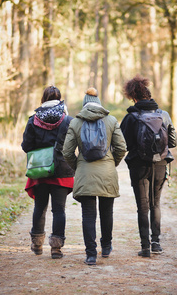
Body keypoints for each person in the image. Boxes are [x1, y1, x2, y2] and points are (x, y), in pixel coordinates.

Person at [62, 87, 127, 265]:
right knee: (107, 212)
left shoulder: (75, 123)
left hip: (85, 173)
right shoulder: (111, 120)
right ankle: (106, 248)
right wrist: (112, 164)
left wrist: (78, 167)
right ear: (99, 104)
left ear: (84, 104)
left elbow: (67, 152)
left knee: (88, 216)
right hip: (107, 173)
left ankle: (91, 255)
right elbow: (121, 148)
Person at [120, 75, 177, 257]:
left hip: (138, 166)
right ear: (149, 95)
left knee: (142, 206)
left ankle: (145, 247)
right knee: (156, 203)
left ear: (133, 97)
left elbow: (124, 144)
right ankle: (156, 243)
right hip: (160, 163)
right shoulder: (164, 115)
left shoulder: (131, 117)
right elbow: (173, 142)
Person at [21, 86, 75, 259]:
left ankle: (37, 244)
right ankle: (56, 249)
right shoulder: (67, 120)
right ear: (60, 100)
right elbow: (73, 145)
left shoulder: (33, 120)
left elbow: (26, 146)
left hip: (40, 170)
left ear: (43, 99)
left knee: (40, 207)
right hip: (61, 170)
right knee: (59, 210)